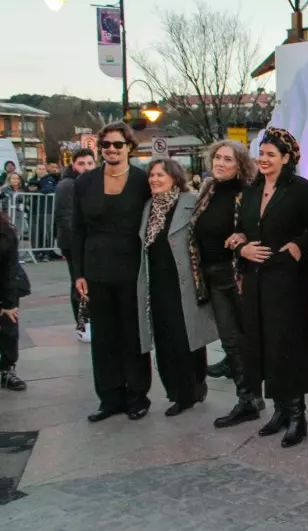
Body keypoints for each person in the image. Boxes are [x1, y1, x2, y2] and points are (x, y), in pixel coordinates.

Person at [235, 128, 308, 448]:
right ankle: (280, 410)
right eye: (262, 153)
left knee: (288, 345)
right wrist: (240, 245)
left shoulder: (300, 189)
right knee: (264, 345)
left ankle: (297, 413)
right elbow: (240, 228)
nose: (264, 159)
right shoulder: (251, 190)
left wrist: (298, 246)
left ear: (286, 159)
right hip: (256, 280)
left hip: (287, 280)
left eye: (271, 154)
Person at [72, 122, 152, 422]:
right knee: (103, 336)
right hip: (96, 268)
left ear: (129, 147)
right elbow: (77, 229)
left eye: (118, 145)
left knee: (132, 333)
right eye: (106, 145)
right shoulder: (85, 183)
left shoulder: (142, 181)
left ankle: (137, 395)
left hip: (132, 267)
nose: (111, 150)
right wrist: (78, 273)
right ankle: (109, 398)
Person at [136, 160, 215, 417]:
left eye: (160, 174)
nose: (154, 179)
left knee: (187, 337)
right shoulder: (148, 207)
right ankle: (178, 392)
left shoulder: (189, 202)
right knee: (165, 338)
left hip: (184, 281)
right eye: (151, 175)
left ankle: (194, 385)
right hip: (157, 282)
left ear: (174, 177)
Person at [196, 141, 266, 428]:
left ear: (240, 165)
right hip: (211, 274)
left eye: (228, 159)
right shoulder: (208, 190)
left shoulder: (246, 193)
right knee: (231, 340)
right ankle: (251, 394)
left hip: (235, 274)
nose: (220, 163)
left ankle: (247, 398)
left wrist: (242, 238)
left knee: (239, 339)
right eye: (217, 158)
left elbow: (255, 228)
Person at [55, 148, 96, 344]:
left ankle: (89, 321)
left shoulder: (90, 183)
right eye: (82, 164)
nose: (86, 168)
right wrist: (77, 244)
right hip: (74, 244)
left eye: (89, 163)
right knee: (78, 283)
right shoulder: (68, 185)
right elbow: (66, 217)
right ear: (73, 165)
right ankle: (82, 324)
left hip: (87, 242)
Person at [0, 210, 24, 392]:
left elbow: (10, 270)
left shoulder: (6, 232)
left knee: (9, 323)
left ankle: (7, 369)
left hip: (5, 284)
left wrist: (8, 304)